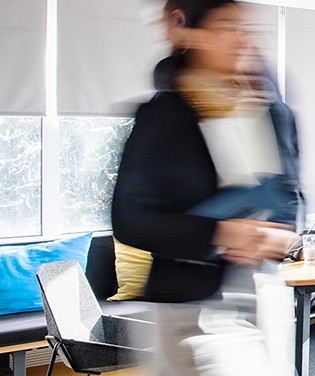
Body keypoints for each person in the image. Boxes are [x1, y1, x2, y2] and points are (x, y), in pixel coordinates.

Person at [110, 0, 301, 374]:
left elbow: (293, 199)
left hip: (267, 300)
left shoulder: (275, 113)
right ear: (195, 35)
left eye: (246, 28)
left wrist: (282, 238)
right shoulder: (162, 117)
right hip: (193, 309)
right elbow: (129, 218)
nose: (242, 38)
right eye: (227, 26)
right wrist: (220, 233)